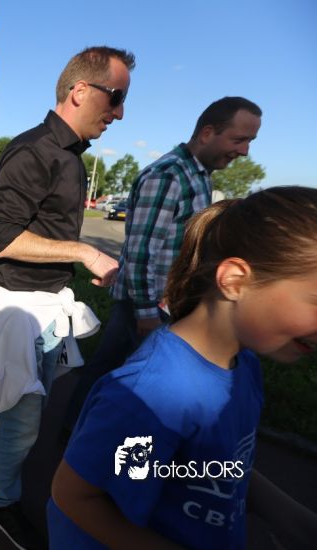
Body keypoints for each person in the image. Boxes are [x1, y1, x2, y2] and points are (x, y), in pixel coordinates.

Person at [48, 186, 317, 550]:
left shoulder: (244, 364)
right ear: (234, 281)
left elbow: (221, 466)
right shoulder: (153, 395)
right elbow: (75, 496)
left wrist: (296, 520)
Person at [0, 46, 134, 549]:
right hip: (17, 310)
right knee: (9, 416)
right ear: (80, 91)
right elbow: (1, 238)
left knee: (12, 411)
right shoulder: (33, 151)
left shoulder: (72, 158)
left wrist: (74, 263)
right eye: (116, 97)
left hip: (48, 307)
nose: (120, 113)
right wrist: (83, 251)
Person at [62, 97, 263, 432]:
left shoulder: (198, 175)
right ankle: (78, 443)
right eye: (239, 140)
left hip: (166, 306)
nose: (244, 151)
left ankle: (84, 437)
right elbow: (141, 252)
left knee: (122, 381)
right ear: (207, 133)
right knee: (121, 383)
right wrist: (146, 315)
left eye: (249, 142)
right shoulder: (169, 176)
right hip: (147, 308)